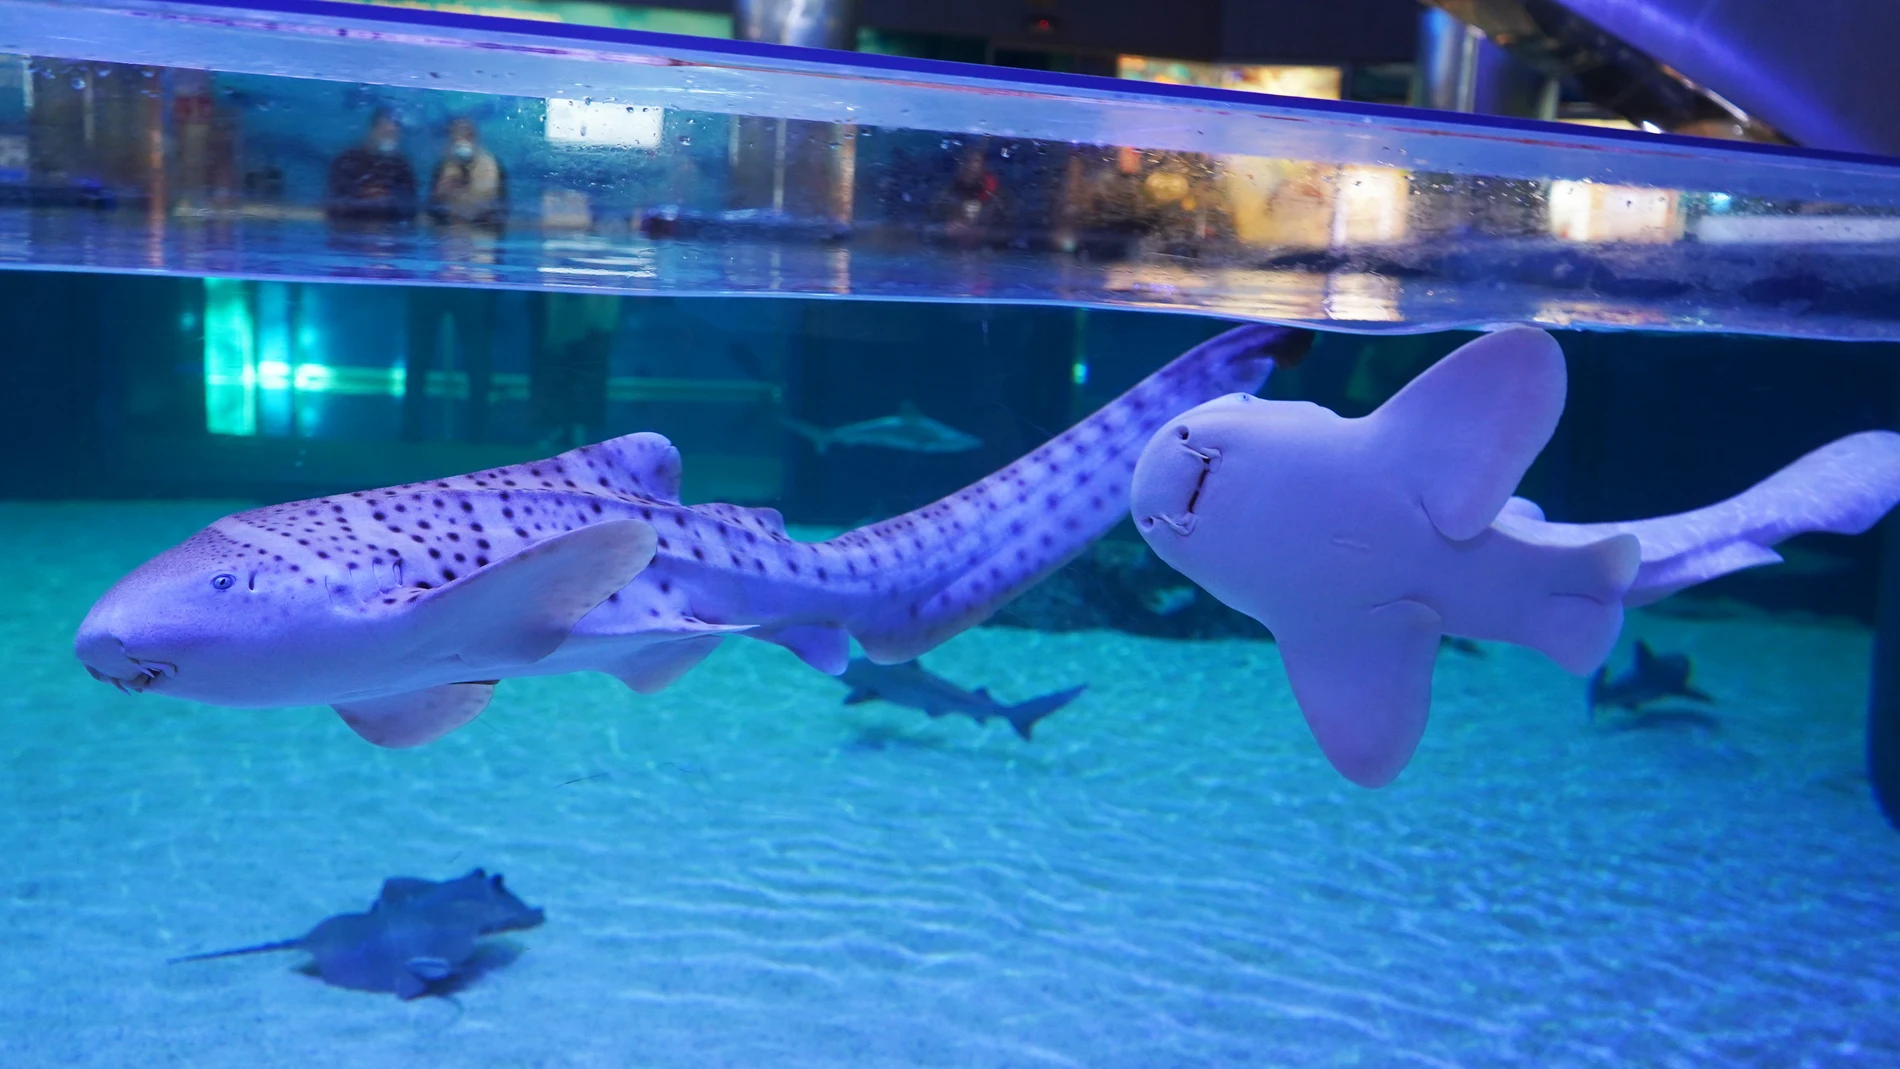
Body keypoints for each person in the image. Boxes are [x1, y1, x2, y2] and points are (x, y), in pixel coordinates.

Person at [324, 110, 418, 224]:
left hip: (389, 231)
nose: (389, 138)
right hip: (351, 229)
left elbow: (409, 207)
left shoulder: (402, 166)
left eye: (393, 135)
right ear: (372, 131)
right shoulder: (347, 161)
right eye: (385, 133)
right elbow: (334, 204)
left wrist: (388, 200)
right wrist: (362, 195)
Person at [426, 117, 507, 229]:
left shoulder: (492, 166)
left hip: (482, 231)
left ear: (475, 138)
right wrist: (442, 191)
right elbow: (433, 206)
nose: (461, 140)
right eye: (457, 134)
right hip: (449, 231)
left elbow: (499, 207)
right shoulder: (443, 167)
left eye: (467, 135)